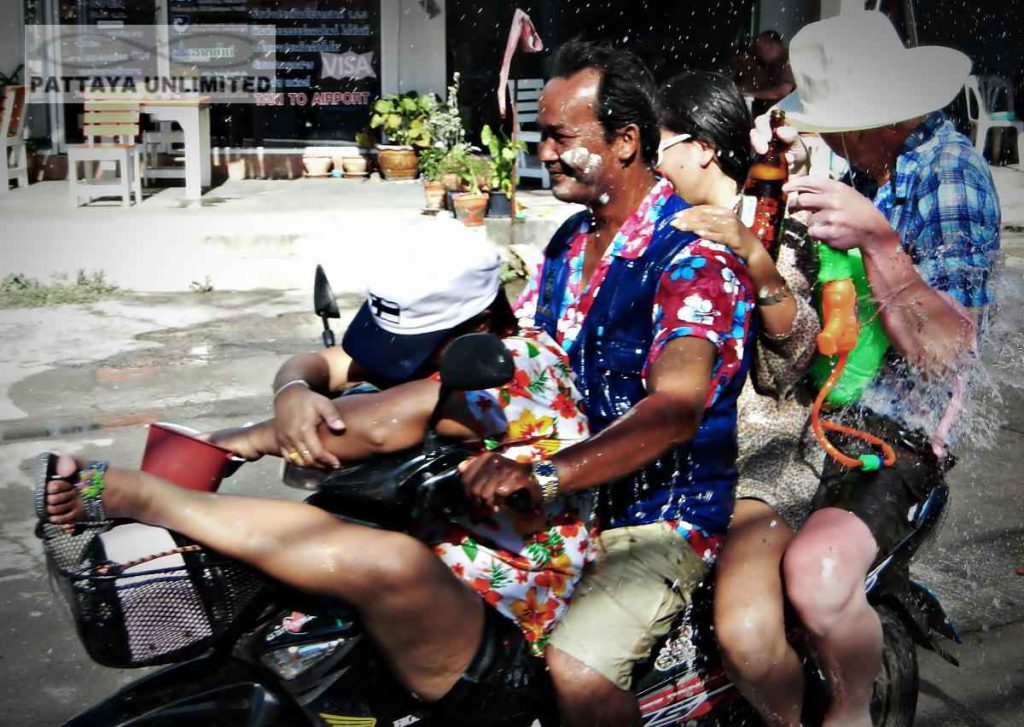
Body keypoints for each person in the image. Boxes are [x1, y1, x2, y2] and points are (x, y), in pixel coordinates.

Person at [37, 233, 593, 726]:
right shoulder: (448, 352)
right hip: (432, 572)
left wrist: (249, 439)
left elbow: (372, 428)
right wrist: (293, 396)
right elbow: (319, 363)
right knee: (331, 531)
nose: (397, 362)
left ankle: (148, 496)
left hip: (504, 626)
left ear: (474, 329)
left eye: (417, 347)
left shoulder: (517, 366)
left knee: (387, 562)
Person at [467, 40, 756, 727]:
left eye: (560, 136)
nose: (545, 151)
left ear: (626, 141)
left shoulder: (692, 255)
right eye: (540, 136)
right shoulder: (570, 239)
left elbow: (675, 409)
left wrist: (543, 476)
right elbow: (521, 355)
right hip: (571, 503)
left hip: (659, 516)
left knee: (576, 671)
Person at [753, 12, 1000, 727]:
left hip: (904, 415)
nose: (824, 136)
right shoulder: (871, 164)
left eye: (833, 122)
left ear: (874, 119)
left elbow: (947, 351)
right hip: (835, 398)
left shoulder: (950, 176)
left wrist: (880, 243)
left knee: (818, 579)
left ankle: (853, 712)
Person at [657, 71, 821, 727]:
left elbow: (791, 359)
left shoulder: (774, 219)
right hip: (667, 449)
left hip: (763, 453)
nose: (644, 159)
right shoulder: (653, 222)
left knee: (748, 635)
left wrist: (752, 254)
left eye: (657, 143)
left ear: (699, 147)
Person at [738, 30, 796, 118]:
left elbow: (781, 92)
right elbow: (763, 87)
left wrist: (748, 94)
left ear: (771, 45)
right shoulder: (774, 65)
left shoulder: (791, 59)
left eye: (760, 50)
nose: (759, 54)